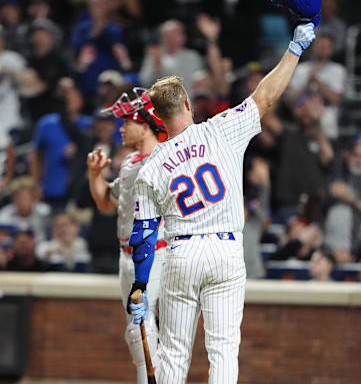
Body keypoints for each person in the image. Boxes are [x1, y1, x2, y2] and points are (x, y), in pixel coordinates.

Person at [126, 20, 316, 383]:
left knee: (175, 353)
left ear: (157, 116)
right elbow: (265, 97)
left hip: (181, 253)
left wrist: (140, 285)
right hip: (226, 248)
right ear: (185, 103)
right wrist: (294, 49)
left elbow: (144, 235)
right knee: (224, 350)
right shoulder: (221, 128)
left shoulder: (150, 167)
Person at [86, 87, 167, 384]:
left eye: (127, 122)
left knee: (140, 327)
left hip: (155, 252)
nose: (121, 128)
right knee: (140, 331)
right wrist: (95, 175)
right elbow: (106, 201)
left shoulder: (165, 158)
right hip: (126, 257)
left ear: (144, 124)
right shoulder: (131, 162)